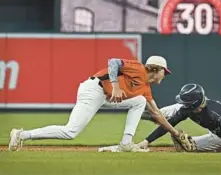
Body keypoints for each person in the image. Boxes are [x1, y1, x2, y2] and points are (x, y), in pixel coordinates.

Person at [9, 56, 182, 152]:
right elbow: (113, 62)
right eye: (163, 72)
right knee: (70, 132)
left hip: (106, 97)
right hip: (94, 90)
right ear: (155, 69)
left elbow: (157, 114)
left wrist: (175, 132)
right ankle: (21, 135)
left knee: (139, 102)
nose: (164, 76)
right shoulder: (139, 69)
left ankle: (126, 143)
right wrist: (115, 86)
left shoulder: (145, 88)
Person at [138, 83, 221, 153]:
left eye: (186, 102)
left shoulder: (213, 110)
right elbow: (168, 124)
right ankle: (156, 113)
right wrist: (147, 141)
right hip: (215, 128)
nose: (183, 104)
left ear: (193, 104)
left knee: (188, 146)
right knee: (177, 109)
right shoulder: (189, 109)